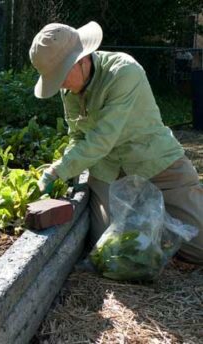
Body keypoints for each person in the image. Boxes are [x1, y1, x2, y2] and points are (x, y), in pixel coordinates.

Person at [29, 21, 203, 264]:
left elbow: (102, 138)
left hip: (155, 162)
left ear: (82, 59)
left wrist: (58, 170)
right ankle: (149, 219)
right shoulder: (68, 90)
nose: (59, 84)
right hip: (109, 171)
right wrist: (65, 169)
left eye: (60, 76)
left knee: (199, 249)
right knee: (110, 252)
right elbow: (78, 136)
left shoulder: (124, 71)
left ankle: (156, 216)